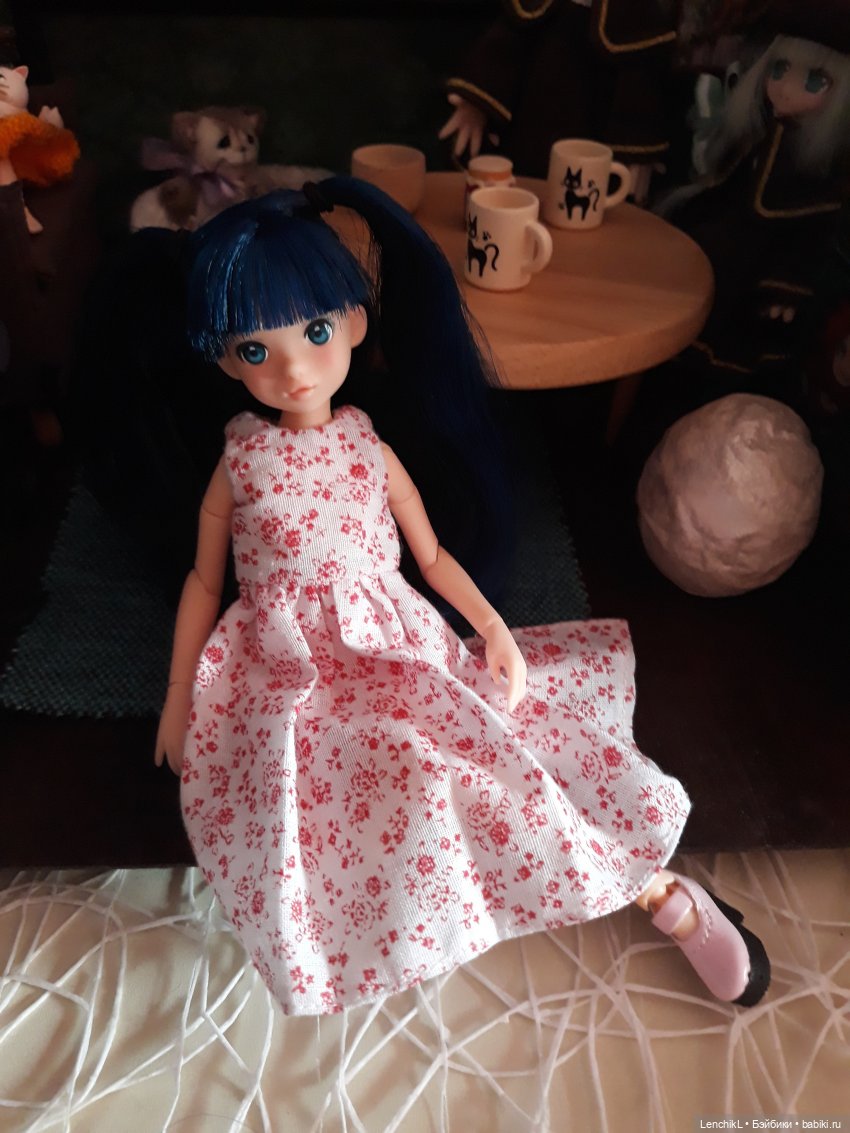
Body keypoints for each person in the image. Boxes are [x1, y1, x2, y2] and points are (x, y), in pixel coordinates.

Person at [156, 179, 770, 1015]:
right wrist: (180, 695)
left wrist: (491, 626)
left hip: (393, 643)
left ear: (355, 325)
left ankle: (660, 892)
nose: (295, 368)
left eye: (316, 331)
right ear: (226, 360)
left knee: (488, 763)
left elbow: (432, 554)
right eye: (256, 350)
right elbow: (204, 578)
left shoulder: (369, 448)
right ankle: (404, 930)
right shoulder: (239, 460)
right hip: (284, 670)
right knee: (338, 813)